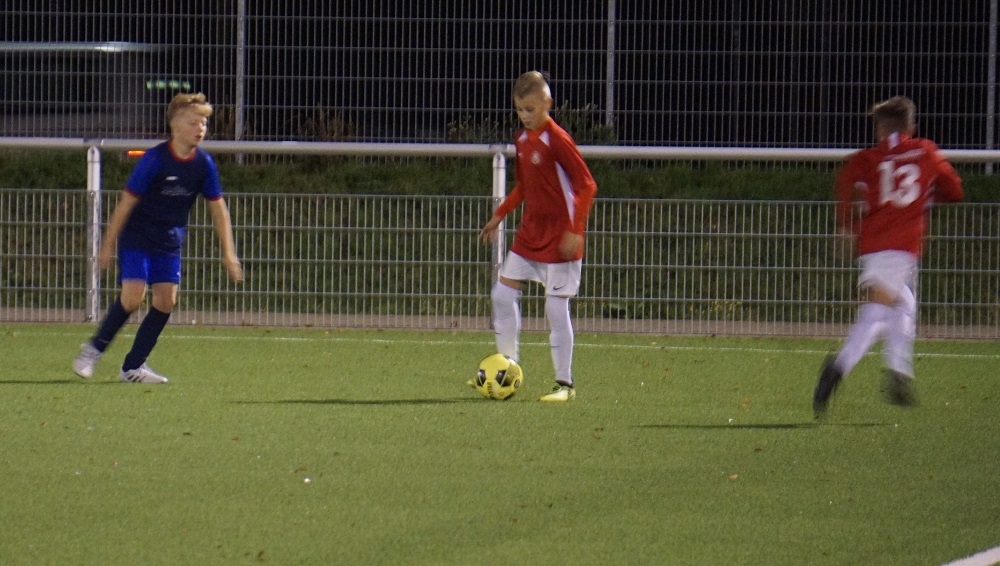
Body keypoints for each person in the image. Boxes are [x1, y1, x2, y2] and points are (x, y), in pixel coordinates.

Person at [72, 92, 244, 383]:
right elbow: (126, 203)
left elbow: (219, 209)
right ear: (175, 126)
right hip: (137, 237)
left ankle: (132, 367)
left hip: (169, 242)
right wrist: (107, 244)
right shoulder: (155, 159)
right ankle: (93, 350)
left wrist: (228, 252)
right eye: (193, 123)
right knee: (133, 296)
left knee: (166, 301)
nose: (201, 129)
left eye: (204, 123)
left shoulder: (204, 164)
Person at [812, 95, 963, 415]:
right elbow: (954, 190)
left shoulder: (866, 158)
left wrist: (845, 226)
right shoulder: (926, 151)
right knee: (877, 310)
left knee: (903, 304)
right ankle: (838, 368)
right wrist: (927, 197)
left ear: (880, 129)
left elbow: (845, 181)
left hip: (873, 244)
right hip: (902, 243)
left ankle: (898, 371)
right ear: (911, 126)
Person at [478, 71, 598, 402]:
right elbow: (525, 187)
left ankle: (565, 384)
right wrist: (499, 216)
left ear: (547, 103)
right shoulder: (522, 140)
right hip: (530, 234)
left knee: (555, 309)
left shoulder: (558, 139)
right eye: (519, 109)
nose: (525, 116)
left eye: (530, 109)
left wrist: (575, 230)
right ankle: (507, 368)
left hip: (560, 237)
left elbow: (587, 185)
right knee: (502, 296)